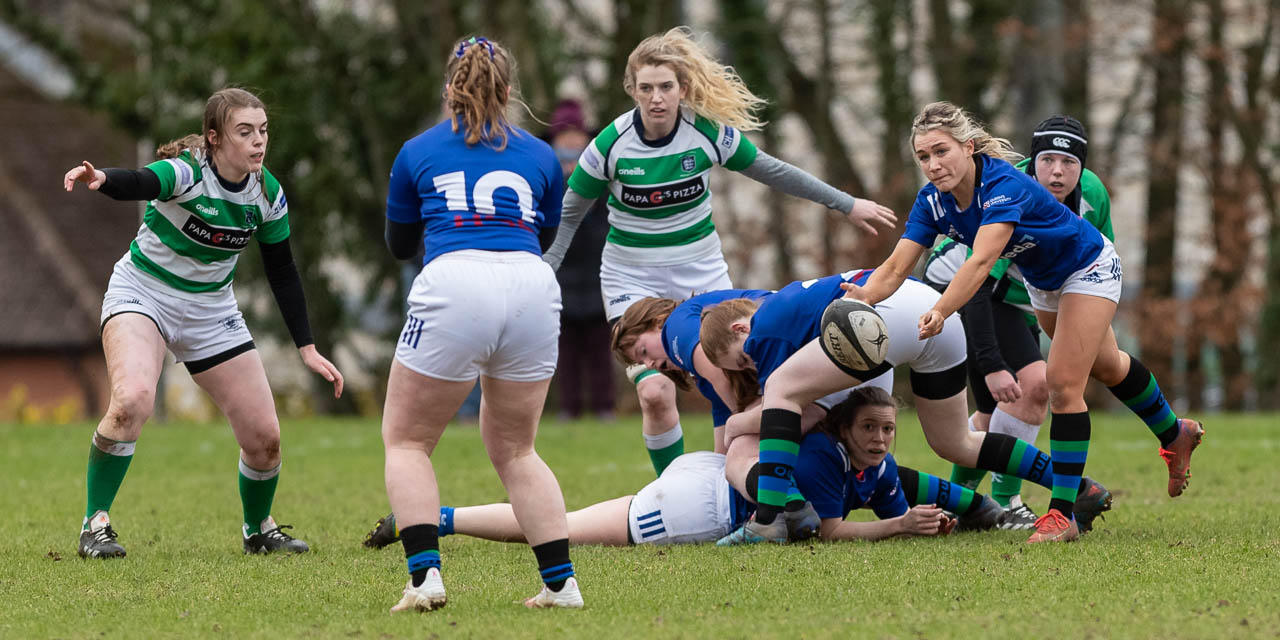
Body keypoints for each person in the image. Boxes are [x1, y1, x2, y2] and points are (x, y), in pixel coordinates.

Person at [541, 26, 896, 477]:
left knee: (729, 378)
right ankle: (672, 490)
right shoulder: (607, 148)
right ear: (631, 90)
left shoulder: (707, 134)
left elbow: (774, 171)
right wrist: (544, 270)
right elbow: (569, 216)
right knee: (654, 393)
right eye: (646, 88)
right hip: (632, 279)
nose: (656, 98)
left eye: (666, 87)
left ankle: (727, 478)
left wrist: (846, 203)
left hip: (700, 274)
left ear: (682, 89)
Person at [844, 101, 1203, 543]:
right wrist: (862, 297)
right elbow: (896, 268)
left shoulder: (1002, 184)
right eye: (923, 157)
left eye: (942, 152)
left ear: (968, 148)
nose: (933, 166)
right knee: (1108, 365)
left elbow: (980, 263)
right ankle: (1175, 431)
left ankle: (1062, 515)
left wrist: (941, 310)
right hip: (1044, 283)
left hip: (1088, 267)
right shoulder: (931, 202)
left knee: (1061, 386)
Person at [62, 87, 344, 559]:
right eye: (244, 132)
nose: (258, 142)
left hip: (211, 310)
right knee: (132, 400)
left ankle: (258, 529)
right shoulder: (187, 172)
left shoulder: (267, 194)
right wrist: (102, 178)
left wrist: (307, 347)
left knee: (265, 438)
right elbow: (138, 181)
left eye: (263, 131)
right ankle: (96, 523)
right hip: (143, 292)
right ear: (214, 139)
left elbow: (283, 271)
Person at [380, 36, 580, 612]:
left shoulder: (418, 150)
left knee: (408, 441)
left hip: (455, 282)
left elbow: (398, 244)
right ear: (509, 92)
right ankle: (561, 584)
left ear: (449, 91)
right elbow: (544, 236)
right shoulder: (541, 154)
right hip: (531, 285)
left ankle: (424, 579)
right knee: (518, 449)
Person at [697, 270, 1110, 544]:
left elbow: (789, 410)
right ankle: (1078, 487)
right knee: (957, 442)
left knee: (784, 392)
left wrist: (734, 426)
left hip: (882, 315)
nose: (750, 364)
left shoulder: (763, 331)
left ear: (741, 329)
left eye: (741, 359)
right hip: (933, 308)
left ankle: (766, 522)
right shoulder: (792, 308)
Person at [363, 388, 1012, 549]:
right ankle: (437, 521)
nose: (880, 440)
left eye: (888, 430)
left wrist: (938, 517)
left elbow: (898, 507)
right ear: (843, 428)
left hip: (712, 475)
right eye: (870, 428)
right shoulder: (821, 456)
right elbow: (833, 532)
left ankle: (438, 519)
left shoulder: (872, 461)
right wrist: (901, 530)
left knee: (560, 521)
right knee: (560, 527)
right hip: (698, 509)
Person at [922, 115, 1114, 528]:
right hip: (964, 294)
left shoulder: (1092, 195)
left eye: (1068, 162)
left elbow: (1098, 259)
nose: (1056, 172)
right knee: (1031, 388)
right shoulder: (1006, 193)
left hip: (1018, 299)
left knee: (995, 415)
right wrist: (990, 364)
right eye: (1047, 161)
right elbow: (976, 283)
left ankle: (966, 506)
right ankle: (1006, 502)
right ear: (1031, 164)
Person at [544, 99, 615, 421]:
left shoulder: (605, 176)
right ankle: (568, 408)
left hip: (598, 273)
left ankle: (604, 407)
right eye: (565, 136)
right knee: (566, 352)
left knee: (601, 350)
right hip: (560, 275)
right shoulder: (546, 179)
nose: (572, 142)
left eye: (577, 135)